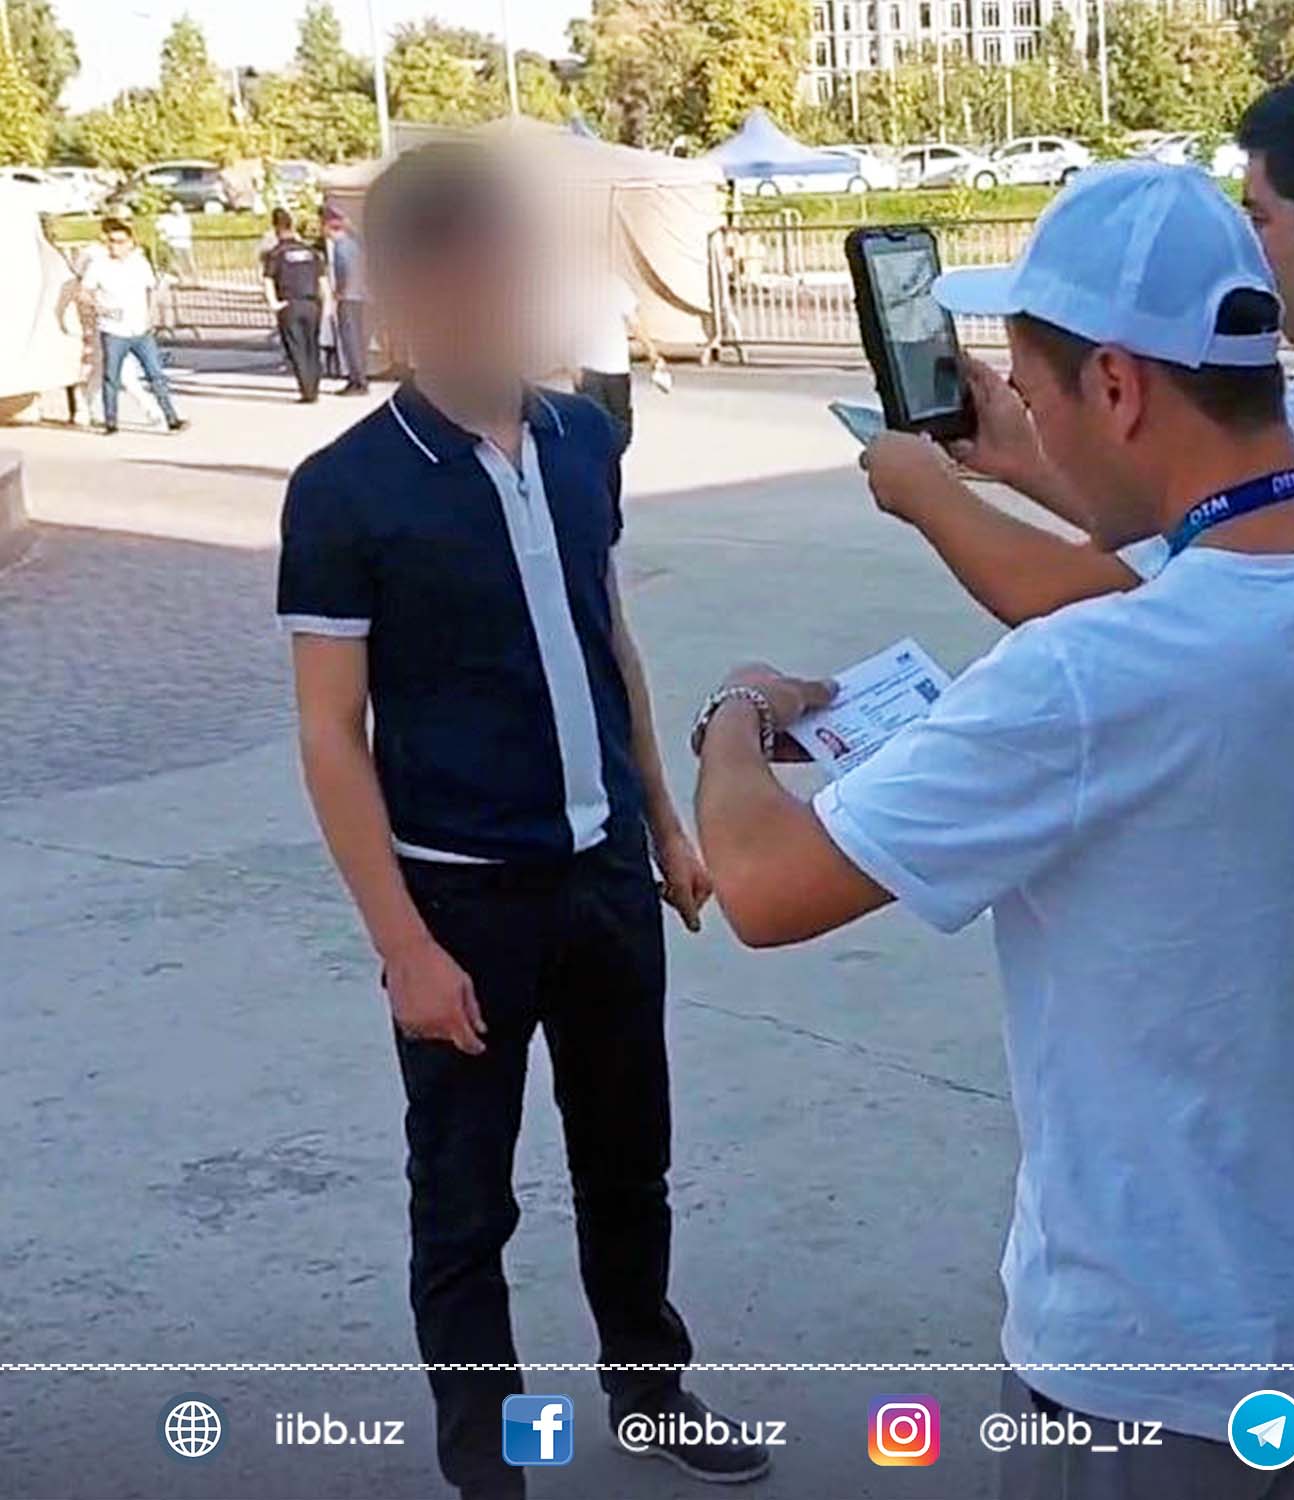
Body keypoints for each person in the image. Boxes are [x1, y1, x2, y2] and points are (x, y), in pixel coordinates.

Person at [689, 163, 1294, 1500]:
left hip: (1139, 1369)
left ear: (1119, 387)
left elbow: (760, 886)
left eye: (1036, 396)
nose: (1030, 423)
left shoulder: (1088, 676)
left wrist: (738, 712)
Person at [277, 143, 768, 1500]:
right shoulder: (347, 491)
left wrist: (662, 821)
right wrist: (405, 947)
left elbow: (608, 637)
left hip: (602, 874)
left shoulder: (579, 439)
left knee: (629, 1166)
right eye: (470, 275)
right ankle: (487, 1463)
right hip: (459, 901)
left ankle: (649, 1390)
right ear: (408, 290)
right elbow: (329, 734)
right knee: (464, 1204)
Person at [78, 218, 186, 437]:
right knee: (111, 377)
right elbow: (83, 293)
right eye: (110, 241)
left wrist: (152, 316)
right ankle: (111, 422)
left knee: (155, 374)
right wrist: (100, 308)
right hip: (113, 330)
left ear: (130, 243)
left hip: (140, 329)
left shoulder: (140, 264)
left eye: (119, 242)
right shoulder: (98, 266)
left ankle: (171, 418)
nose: (114, 246)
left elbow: (150, 290)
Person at [573, 269, 662, 454]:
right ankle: (600, 464)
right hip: (589, 368)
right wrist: (571, 366)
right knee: (593, 428)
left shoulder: (616, 285)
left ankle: (610, 462)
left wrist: (651, 351)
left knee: (621, 429)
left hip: (616, 368)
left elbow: (635, 322)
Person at [263, 207, 327, 403]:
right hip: (312, 303)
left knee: (297, 348)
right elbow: (322, 279)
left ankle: (307, 391)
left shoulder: (276, 253)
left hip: (289, 304)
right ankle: (315, 387)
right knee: (312, 346)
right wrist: (324, 303)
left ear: (276, 228)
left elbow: (268, 280)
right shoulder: (311, 252)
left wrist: (274, 303)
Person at [324, 205, 371, 395]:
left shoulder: (341, 246)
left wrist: (340, 291)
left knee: (350, 340)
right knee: (358, 339)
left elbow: (345, 271)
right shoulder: (354, 244)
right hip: (361, 296)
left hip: (349, 297)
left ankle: (357, 381)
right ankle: (360, 377)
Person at [158, 201, 196, 279]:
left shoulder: (167, 218)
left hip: (177, 242)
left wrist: (163, 236)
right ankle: (190, 276)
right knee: (186, 260)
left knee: (180, 261)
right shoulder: (185, 218)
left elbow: (158, 228)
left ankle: (185, 276)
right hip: (181, 242)